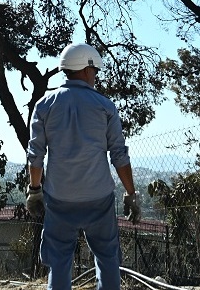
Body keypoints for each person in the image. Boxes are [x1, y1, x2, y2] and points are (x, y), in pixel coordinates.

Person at [26, 42, 141, 290]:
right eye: (95, 71)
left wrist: (35, 190)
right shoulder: (106, 106)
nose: (95, 76)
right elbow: (119, 156)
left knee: (59, 262)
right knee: (108, 259)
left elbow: (35, 155)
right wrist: (131, 194)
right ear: (87, 70)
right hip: (98, 197)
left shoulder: (44, 105)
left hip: (59, 197)